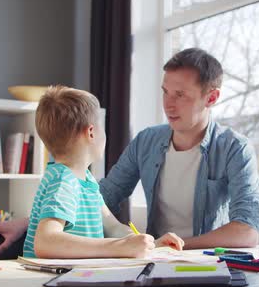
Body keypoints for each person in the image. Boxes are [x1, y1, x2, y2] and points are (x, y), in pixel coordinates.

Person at [0, 48, 259, 253]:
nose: (168, 104)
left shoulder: (234, 149)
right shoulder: (147, 141)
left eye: (180, 95)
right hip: (152, 257)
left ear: (212, 97)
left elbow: (246, 232)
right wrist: (30, 222)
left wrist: (170, 246)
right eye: (165, 91)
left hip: (197, 260)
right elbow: (98, 198)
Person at [22, 86, 183, 258]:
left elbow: (112, 226)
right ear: (91, 132)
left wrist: (150, 243)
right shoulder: (63, 181)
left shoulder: (86, 180)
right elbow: (46, 242)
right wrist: (118, 247)